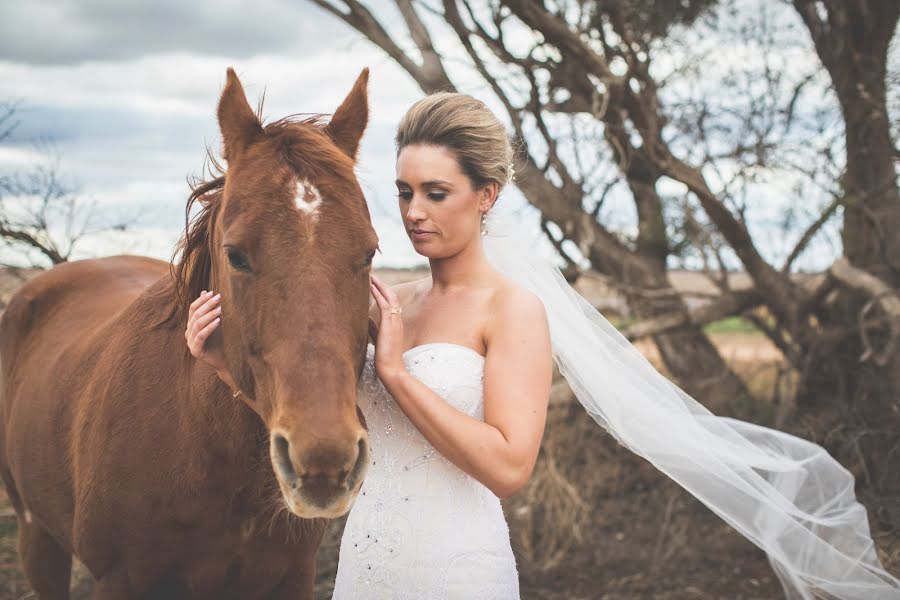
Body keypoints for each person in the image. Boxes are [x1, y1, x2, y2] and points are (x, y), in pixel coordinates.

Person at [187, 91, 900, 599]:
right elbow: (333, 423)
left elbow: (509, 467)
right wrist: (222, 365)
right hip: (367, 572)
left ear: (486, 196)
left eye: (436, 192)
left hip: (456, 574)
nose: (415, 213)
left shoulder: (515, 310)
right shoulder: (392, 305)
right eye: (403, 193)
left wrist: (398, 375)